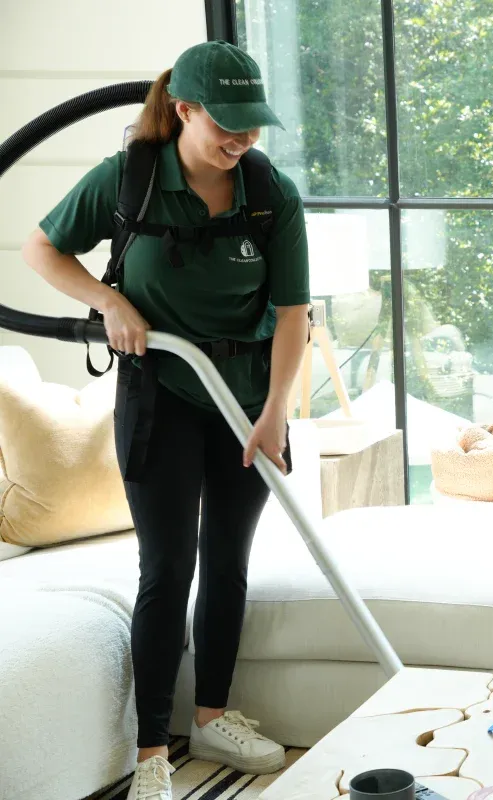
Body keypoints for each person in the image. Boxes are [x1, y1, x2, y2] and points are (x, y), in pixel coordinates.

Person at [21, 41, 310, 800]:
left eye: (253, 124)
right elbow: (41, 247)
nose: (243, 138)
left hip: (245, 399)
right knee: (168, 567)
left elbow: (292, 314)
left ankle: (212, 716)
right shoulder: (130, 181)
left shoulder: (269, 192)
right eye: (227, 123)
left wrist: (277, 412)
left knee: (228, 562)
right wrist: (110, 300)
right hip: (160, 397)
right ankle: (153, 752)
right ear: (183, 108)